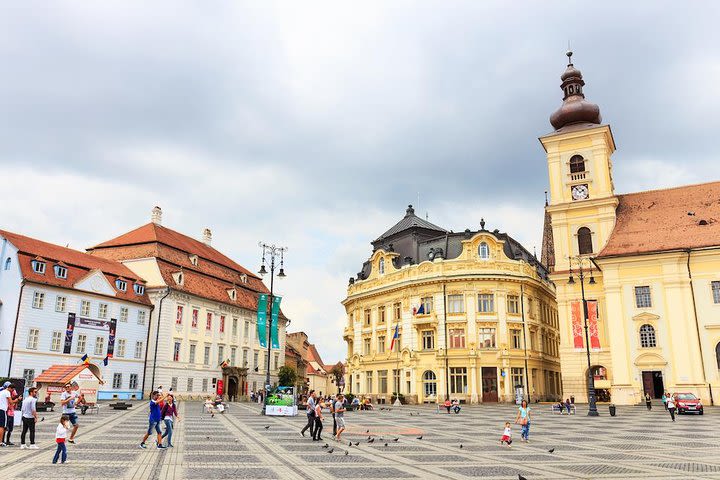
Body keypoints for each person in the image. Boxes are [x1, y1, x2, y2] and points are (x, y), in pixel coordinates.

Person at [0, 381, 12, 447]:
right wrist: (17, 400)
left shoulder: (1, 391)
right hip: (2, 410)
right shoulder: (7, 392)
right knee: (2, 426)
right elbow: (11, 402)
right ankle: (1, 442)